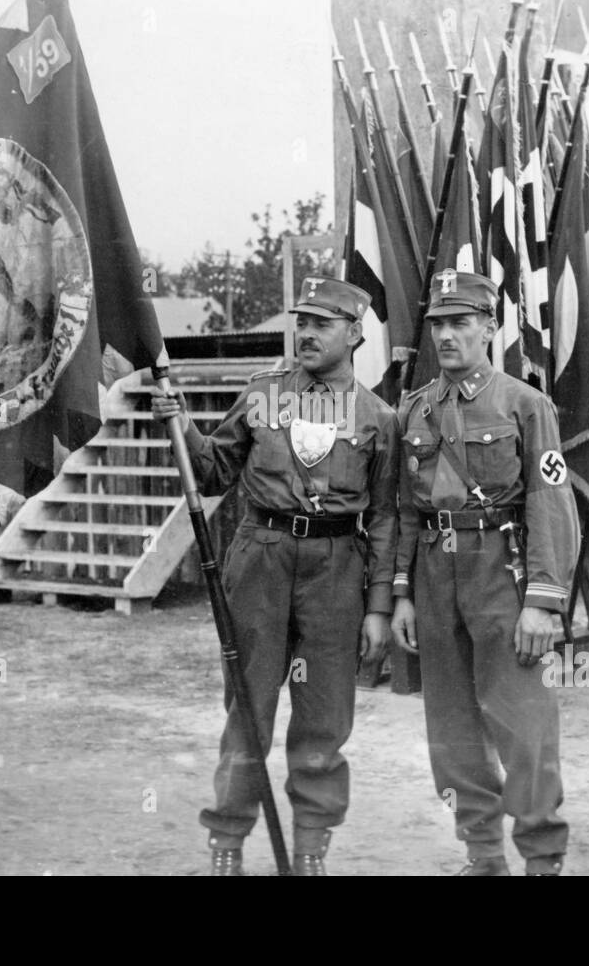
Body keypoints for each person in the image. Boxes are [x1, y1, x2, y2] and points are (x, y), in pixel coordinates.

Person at [152, 276, 398, 876]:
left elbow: (387, 517)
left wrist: (379, 607)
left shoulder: (378, 416)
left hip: (337, 571)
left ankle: (311, 846)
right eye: (302, 322)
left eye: (322, 324)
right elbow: (211, 471)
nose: (306, 333)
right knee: (249, 709)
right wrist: (180, 423)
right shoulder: (263, 394)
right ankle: (228, 842)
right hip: (260, 559)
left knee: (323, 717)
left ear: (356, 333)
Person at [388, 270, 580, 876]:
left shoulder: (526, 404)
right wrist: (401, 596)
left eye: (460, 322)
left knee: (523, 725)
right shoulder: (412, 411)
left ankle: (542, 860)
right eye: (438, 324)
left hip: (503, 572)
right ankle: (483, 854)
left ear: (490, 328)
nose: (446, 335)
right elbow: (401, 509)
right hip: (433, 574)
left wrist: (543, 601)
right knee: (451, 730)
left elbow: (551, 503)